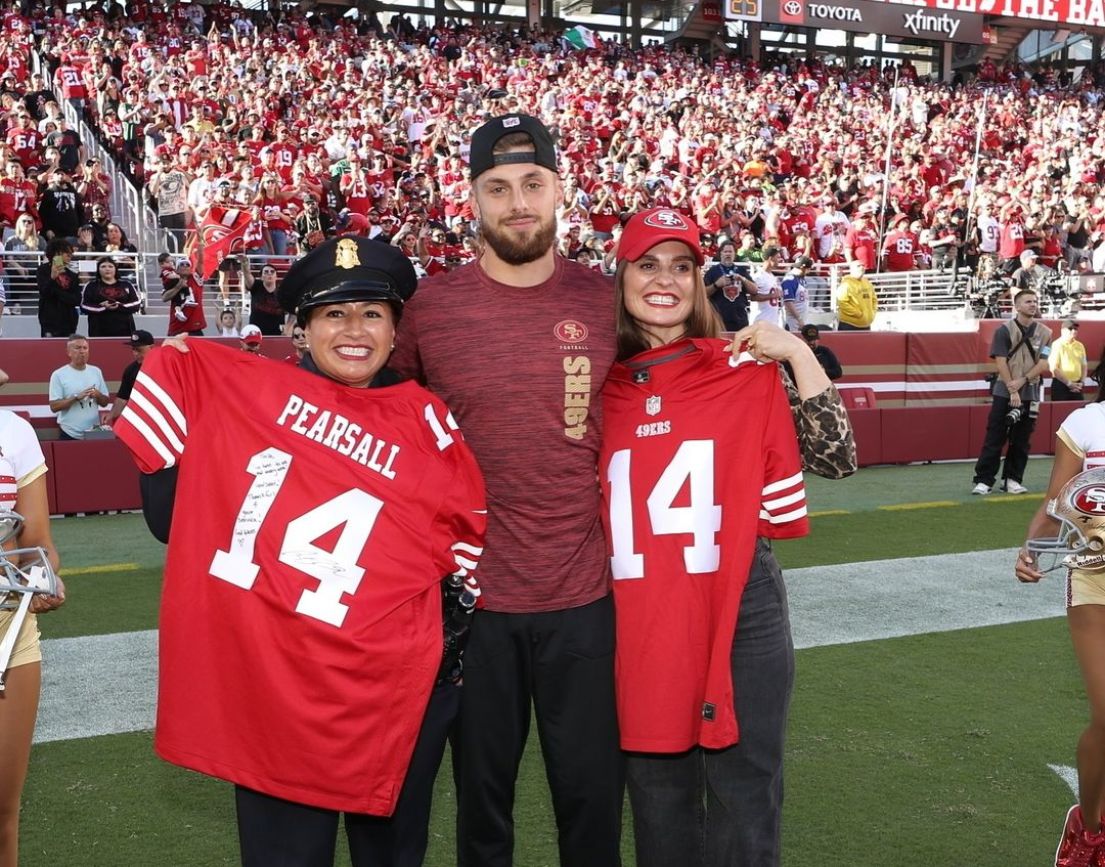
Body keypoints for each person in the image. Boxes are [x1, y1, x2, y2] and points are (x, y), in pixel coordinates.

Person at [114, 236, 487, 867]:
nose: (355, 330)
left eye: (373, 313)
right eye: (333, 314)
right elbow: (168, 518)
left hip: (390, 685)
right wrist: (182, 382)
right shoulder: (240, 396)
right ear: (300, 326)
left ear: (397, 330)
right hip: (274, 681)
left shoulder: (426, 420)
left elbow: (467, 551)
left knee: (393, 855)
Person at [390, 113, 624, 867]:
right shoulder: (431, 307)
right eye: (498, 188)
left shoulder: (605, 300)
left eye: (532, 184)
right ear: (472, 199)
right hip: (472, 604)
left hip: (584, 597)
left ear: (559, 191)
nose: (517, 202)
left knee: (590, 797)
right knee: (481, 804)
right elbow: (376, 420)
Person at [599, 207, 855, 867]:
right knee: (658, 793)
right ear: (621, 275)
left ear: (698, 280)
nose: (665, 280)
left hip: (741, 598)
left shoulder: (741, 365)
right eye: (648, 264)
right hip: (639, 606)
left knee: (746, 794)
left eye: (681, 266)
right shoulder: (593, 386)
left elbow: (836, 458)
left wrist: (796, 349)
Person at [1016, 393, 1105, 866]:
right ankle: (1090, 828)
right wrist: (1031, 547)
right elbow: (1057, 504)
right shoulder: (1086, 422)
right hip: (1093, 577)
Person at [0, 409, 65, 867]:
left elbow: (38, 541)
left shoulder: (12, 431)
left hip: (9, 631)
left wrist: (42, 577)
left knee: (2, 814)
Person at [971, 289, 1052, 495]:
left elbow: (1043, 362)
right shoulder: (1004, 331)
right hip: (1004, 391)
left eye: (1035, 301)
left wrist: (1023, 381)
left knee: (1022, 439)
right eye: (1028, 301)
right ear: (1016, 306)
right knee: (996, 436)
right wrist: (1012, 388)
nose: (1033, 304)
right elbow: (1000, 361)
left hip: (1030, 392)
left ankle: (1012, 479)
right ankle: (984, 480)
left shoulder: (1046, 333)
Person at [47, 334, 109, 440]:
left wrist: (97, 394)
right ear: (68, 352)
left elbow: (105, 402)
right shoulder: (58, 374)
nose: (82, 351)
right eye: (77, 348)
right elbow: (54, 406)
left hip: (93, 433)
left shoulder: (96, 371)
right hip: (69, 433)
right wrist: (76, 397)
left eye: (85, 348)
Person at [80, 256, 141, 337]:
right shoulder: (91, 286)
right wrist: (102, 308)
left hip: (125, 330)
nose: (107, 269)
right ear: (98, 269)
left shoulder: (127, 285)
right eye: (103, 266)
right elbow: (84, 306)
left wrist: (119, 305)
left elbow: (136, 304)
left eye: (110, 266)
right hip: (98, 330)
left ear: (115, 269)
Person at [704, 240, 753, 331]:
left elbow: (754, 290)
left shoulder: (741, 270)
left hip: (740, 319)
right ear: (720, 254)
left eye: (730, 251)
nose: (728, 254)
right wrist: (716, 285)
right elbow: (703, 293)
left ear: (734, 254)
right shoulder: (712, 271)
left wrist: (743, 279)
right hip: (719, 320)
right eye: (725, 251)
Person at [35, 238, 80, 338]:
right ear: (56, 253)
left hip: (69, 321)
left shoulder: (72, 274)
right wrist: (52, 278)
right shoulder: (43, 270)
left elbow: (76, 300)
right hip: (49, 320)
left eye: (70, 253)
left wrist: (57, 292)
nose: (70, 255)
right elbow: (44, 292)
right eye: (66, 252)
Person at [109, 330, 155, 422]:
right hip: (140, 419)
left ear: (151, 347)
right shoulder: (130, 370)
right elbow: (122, 398)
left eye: (139, 350)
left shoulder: (163, 366)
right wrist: (111, 415)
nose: (135, 353)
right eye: (133, 349)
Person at [241, 256, 287, 335]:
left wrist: (286, 329)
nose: (269, 273)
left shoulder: (282, 292)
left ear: (276, 276)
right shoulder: (256, 286)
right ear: (261, 277)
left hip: (276, 334)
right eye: (266, 272)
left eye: (272, 272)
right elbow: (247, 275)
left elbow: (289, 313)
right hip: (256, 333)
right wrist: (244, 264)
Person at [1050, 319, 1088, 402]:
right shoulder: (1057, 345)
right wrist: (1069, 384)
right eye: (1070, 329)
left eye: (1075, 329)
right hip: (1061, 385)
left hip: (1077, 385)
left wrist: (1082, 382)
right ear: (1063, 331)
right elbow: (1054, 368)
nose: (1074, 331)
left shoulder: (1080, 345)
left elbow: (1084, 365)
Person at [835, 260, 877, 331]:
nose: (861, 267)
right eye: (858, 266)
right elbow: (842, 303)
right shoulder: (846, 284)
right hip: (849, 325)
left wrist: (872, 312)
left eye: (863, 265)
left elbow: (874, 299)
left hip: (866, 325)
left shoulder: (867, 283)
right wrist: (858, 314)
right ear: (852, 269)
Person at [780, 255, 812, 331]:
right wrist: (799, 319)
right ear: (802, 268)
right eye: (808, 269)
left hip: (801, 317)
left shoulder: (801, 278)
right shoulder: (789, 280)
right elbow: (788, 302)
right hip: (792, 320)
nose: (809, 271)